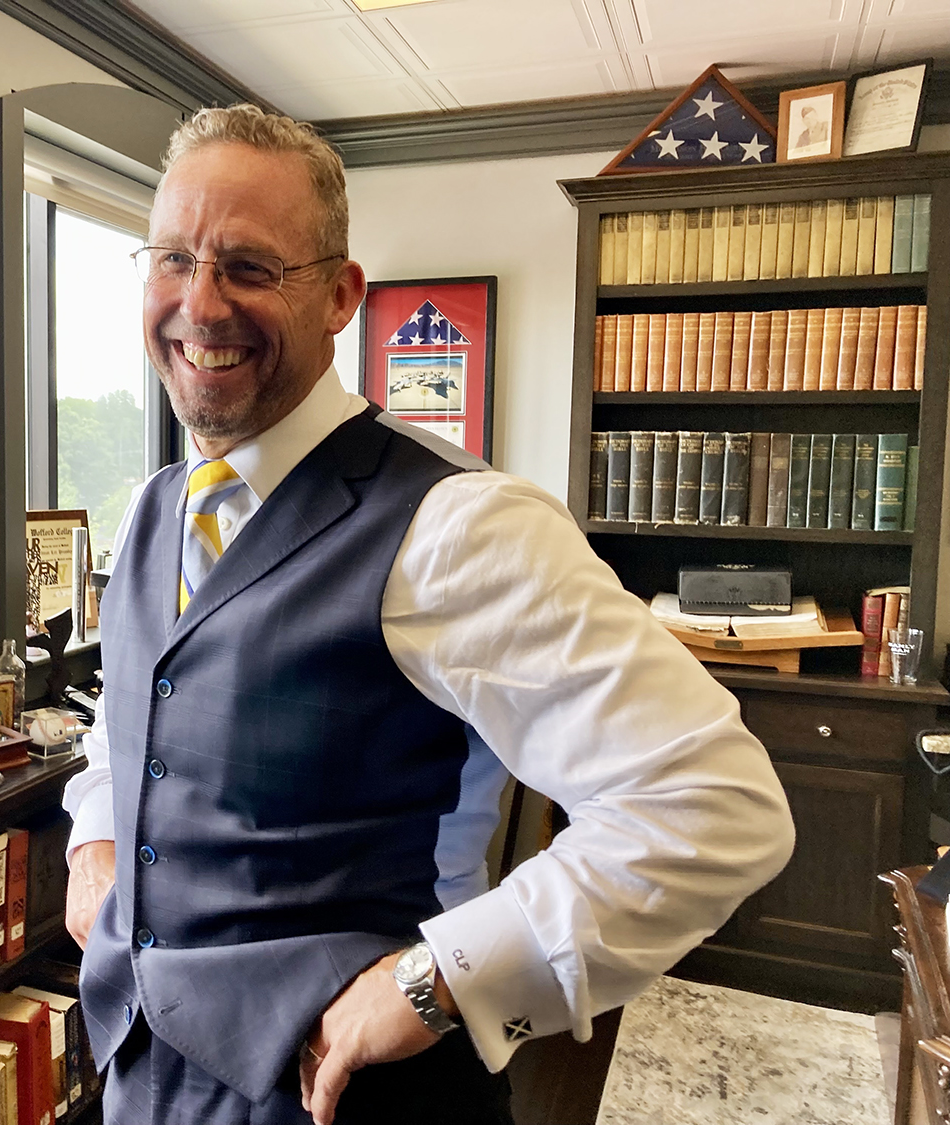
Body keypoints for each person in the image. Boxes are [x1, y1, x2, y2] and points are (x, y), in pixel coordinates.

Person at [62, 104, 794, 1125]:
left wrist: (439, 983)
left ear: (340, 297)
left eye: (250, 267)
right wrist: (94, 837)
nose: (200, 301)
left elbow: (716, 808)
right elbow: (130, 723)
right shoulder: (150, 509)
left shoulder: (461, 526)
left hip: (345, 1095)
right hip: (145, 1081)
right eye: (173, 258)